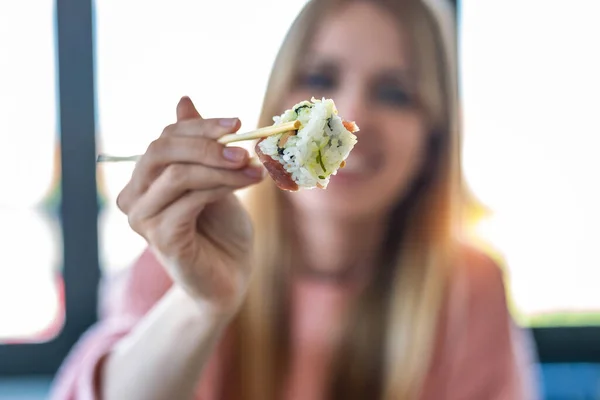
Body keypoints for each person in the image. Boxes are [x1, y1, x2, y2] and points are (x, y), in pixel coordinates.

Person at [49, 0, 540, 399]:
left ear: (433, 138)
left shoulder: (469, 287)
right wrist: (199, 305)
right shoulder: (183, 254)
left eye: (394, 93)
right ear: (278, 102)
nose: (351, 113)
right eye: (322, 79)